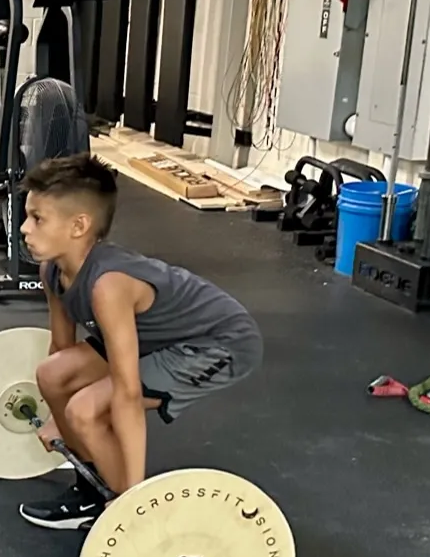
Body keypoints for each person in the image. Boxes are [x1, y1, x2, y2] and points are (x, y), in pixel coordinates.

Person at [17, 153, 262, 531]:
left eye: (37, 219)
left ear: (79, 225)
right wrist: (56, 418)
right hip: (156, 336)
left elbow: (127, 395)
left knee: (86, 410)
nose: (23, 228)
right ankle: (93, 492)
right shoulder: (53, 269)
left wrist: (133, 492)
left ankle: (131, 508)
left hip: (217, 343)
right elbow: (61, 352)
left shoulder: (108, 285)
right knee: (51, 375)